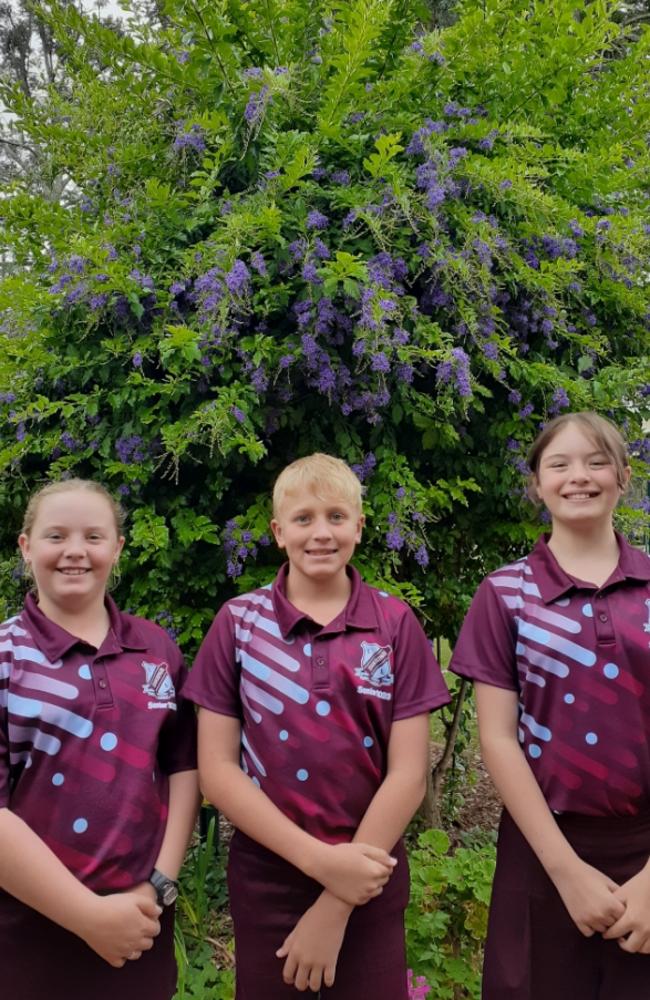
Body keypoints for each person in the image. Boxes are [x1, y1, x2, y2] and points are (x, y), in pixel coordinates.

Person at [183, 453, 450, 998]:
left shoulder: (395, 624)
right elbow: (216, 770)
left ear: (359, 525)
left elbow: (408, 774)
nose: (320, 532)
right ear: (278, 533)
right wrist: (321, 863)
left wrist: (338, 900)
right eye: (303, 519)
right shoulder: (237, 625)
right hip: (268, 877)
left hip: (371, 872)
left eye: (335, 516)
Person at [449, 412, 650, 1000]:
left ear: (623, 475)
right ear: (536, 483)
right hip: (542, 854)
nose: (578, 477)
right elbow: (497, 739)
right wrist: (567, 873)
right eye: (558, 464)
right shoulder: (504, 594)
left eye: (595, 462)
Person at [0, 479, 200, 1000]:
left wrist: (158, 886)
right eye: (56, 536)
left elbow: (183, 767)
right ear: (26, 548)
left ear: (117, 548)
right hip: (28, 934)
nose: (75, 551)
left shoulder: (155, 648)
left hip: (140, 923)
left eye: (93, 536)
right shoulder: (4, 657)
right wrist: (86, 915)